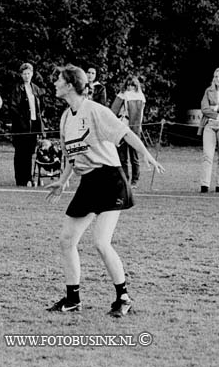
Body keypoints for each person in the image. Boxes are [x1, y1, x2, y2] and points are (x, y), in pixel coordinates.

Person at [45, 64, 164, 317]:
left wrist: (146, 155)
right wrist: (63, 181)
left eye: (58, 79)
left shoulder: (96, 110)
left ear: (70, 84)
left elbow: (126, 133)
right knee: (66, 240)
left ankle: (123, 298)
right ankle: (72, 299)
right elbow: (71, 156)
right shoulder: (67, 117)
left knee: (100, 242)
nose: (54, 82)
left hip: (110, 180)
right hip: (89, 182)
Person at [8, 62, 45, 186]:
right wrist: (21, 121)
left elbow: (41, 107)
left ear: (32, 74)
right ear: (21, 75)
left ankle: (28, 178)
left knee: (29, 152)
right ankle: (20, 178)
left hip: (33, 125)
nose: (27, 76)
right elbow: (13, 107)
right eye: (24, 74)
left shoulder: (36, 89)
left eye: (29, 73)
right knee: (20, 152)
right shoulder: (17, 88)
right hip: (20, 126)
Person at [110, 76, 146, 188]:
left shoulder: (140, 97)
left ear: (136, 86)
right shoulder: (121, 95)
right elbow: (113, 111)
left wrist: (138, 126)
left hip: (134, 127)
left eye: (132, 85)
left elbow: (139, 115)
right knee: (122, 155)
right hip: (122, 124)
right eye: (128, 85)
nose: (130, 87)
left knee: (134, 156)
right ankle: (125, 178)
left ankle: (135, 180)